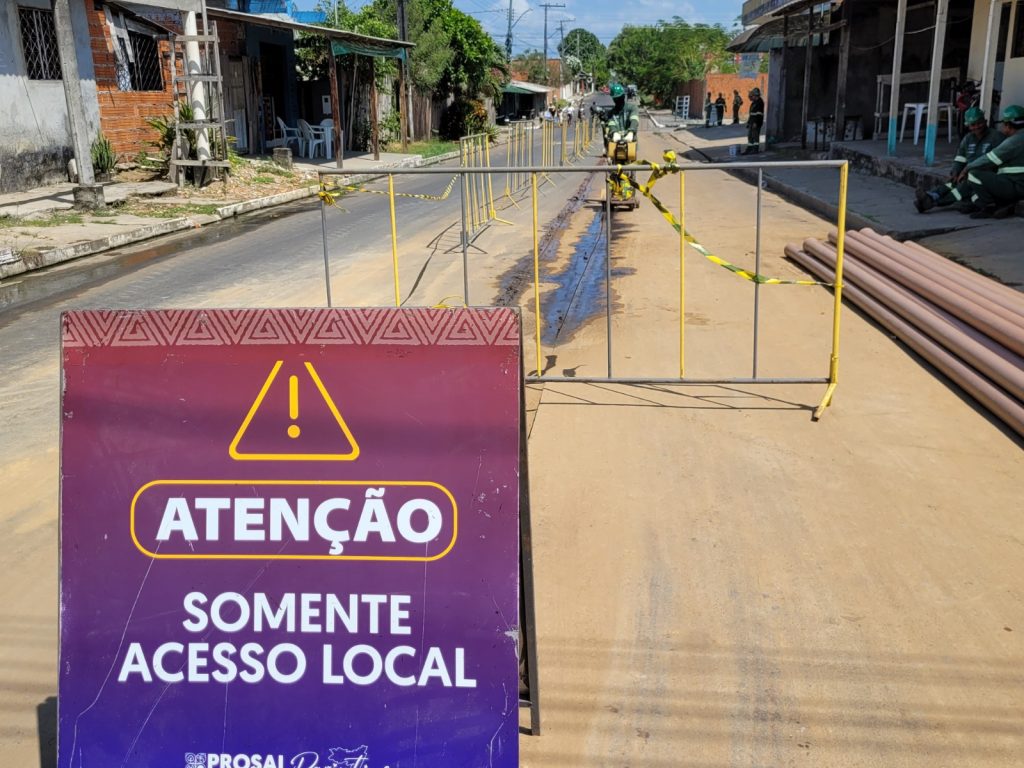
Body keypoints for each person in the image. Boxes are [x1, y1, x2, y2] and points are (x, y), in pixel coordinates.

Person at [915, 107, 1003, 213]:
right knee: (952, 182)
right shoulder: (967, 139)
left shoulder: (996, 137)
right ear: (968, 126)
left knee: (963, 187)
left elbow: (995, 161)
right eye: (973, 125)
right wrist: (956, 171)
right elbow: (960, 158)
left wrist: (967, 171)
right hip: (968, 174)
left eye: (979, 123)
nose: (976, 127)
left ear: (985, 121)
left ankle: (932, 202)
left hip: (985, 176)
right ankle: (931, 197)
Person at [961, 104, 1024, 218]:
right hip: (1017, 184)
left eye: (1004, 125)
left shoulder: (1013, 141)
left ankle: (991, 207)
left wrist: (967, 168)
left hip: (1017, 186)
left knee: (973, 174)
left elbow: (989, 159)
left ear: (1008, 125)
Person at [743, 87, 765, 154]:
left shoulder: (760, 102)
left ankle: (755, 150)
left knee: (755, 136)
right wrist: (749, 122)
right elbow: (751, 114)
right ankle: (749, 149)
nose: (751, 97)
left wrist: (756, 123)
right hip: (752, 122)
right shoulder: (753, 103)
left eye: (752, 95)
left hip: (756, 122)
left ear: (756, 95)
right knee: (750, 136)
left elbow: (759, 114)